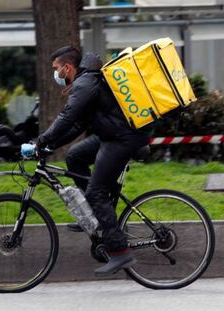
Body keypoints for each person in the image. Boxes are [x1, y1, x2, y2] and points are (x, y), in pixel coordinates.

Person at [36, 46, 150, 276]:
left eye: (56, 69)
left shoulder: (84, 83)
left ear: (67, 67)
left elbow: (67, 117)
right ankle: (95, 215)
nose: (55, 74)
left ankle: (120, 252)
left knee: (96, 192)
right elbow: (77, 125)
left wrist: (39, 141)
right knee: (74, 156)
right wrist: (49, 146)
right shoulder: (85, 81)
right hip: (114, 134)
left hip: (121, 138)